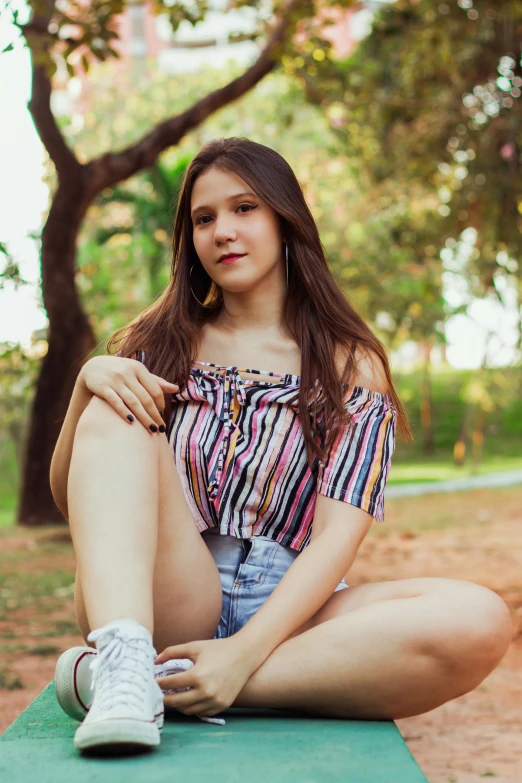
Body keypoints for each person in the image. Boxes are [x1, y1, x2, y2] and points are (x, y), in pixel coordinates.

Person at [50, 137, 512, 753]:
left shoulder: (351, 364)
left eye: (245, 209)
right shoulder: (152, 346)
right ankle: (128, 655)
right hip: (171, 596)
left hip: (295, 610)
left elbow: (336, 541)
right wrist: (88, 385)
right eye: (204, 218)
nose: (222, 232)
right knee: (115, 405)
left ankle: (165, 685)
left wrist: (243, 654)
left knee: (477, 618)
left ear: (284, 219)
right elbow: (74, 504)